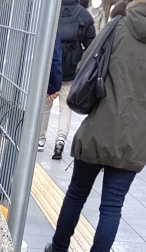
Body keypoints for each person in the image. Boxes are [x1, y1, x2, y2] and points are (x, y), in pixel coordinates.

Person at [44, 0, 146, 252]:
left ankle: (58, 250)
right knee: (112, 206)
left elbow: (86, 62)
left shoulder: (119, 26)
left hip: (100, 128)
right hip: (136, 136)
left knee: (77, 194)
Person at [39, 0, 97, 158]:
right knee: (65, 106)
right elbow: (91, 46)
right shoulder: (83, 14)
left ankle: (40, 139)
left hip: (50, 67)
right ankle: (60, 139)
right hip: (72, 68)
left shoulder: (50, 11)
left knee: (46, 103)